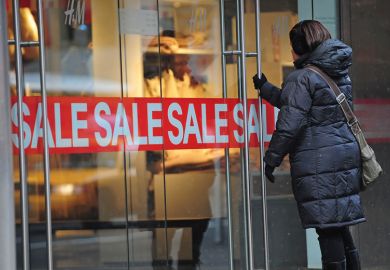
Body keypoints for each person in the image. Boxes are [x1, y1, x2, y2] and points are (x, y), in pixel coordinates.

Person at [253, 20, 365, 270]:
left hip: (319, 161)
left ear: (300, 48)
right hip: (343, 156)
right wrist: (266, 88)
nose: (290, 52)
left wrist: (272, 158)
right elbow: (296, 103)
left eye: (292, 47)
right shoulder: (336, 72)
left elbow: (290, 123)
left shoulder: (301, 77)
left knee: (327, 230)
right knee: (338, 225)